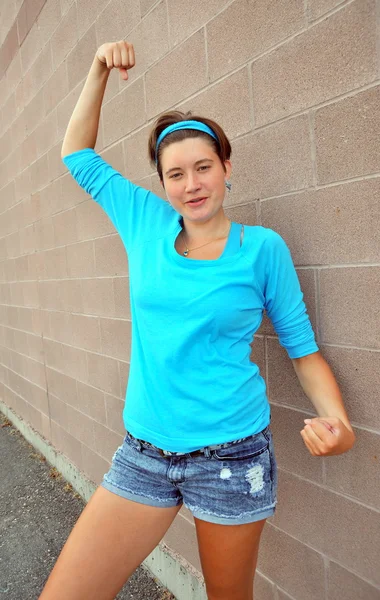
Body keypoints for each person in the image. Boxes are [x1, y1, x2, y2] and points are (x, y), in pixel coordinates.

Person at [39, 41, 355, 600]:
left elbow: (301, 350)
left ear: (226, 167)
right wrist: (97, 70)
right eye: (176, 173)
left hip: (232, 457)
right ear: (162, 183)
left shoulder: (262, 250)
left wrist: (337, 421)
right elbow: (76, 155)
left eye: (204, 167)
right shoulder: (144, 223)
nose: (192, 184)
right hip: (145, 452)